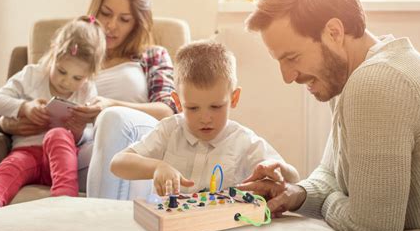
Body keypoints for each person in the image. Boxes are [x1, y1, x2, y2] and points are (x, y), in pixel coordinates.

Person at [236, 0, 420, 231]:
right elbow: (330, 172)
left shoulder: (377, 83)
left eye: (293, 57)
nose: (287, 77)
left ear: (333, 32)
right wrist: (296, 193)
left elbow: (371, 228)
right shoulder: (351, 75)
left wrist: (326, 201)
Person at [0, 0, 177, 200]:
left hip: (132, 143)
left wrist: (109, 106)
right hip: (80, 149)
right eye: (105, 13)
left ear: (137, 23)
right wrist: (6, 123)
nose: (111, 25)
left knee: (111, 119)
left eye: (124, 19)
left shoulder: (152, 56)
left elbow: (168, 111)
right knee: (68, 142)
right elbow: (12, 99)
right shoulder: (70, 55)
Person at [110, 40, 299, 195]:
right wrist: (157, 167)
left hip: (223, 229)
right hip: (173, 227)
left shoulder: (244, 140)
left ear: (234, 98)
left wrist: (277, 169)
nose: (205, 118)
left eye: (216, 107)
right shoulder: (170, 130)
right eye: (192, 108)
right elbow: (118, 164)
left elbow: (293, 177)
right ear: (177, 102)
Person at [0, 16, 105, 212]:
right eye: (61, 71)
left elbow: (90, 134)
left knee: (58, 134)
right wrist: (24, 107)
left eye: (77, 77)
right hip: (27, 150)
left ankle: (63, 203)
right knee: (9, 168)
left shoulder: (87, 90)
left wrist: (78, 132)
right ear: (53, 54)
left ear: (89, 75)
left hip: (63, 156)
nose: (66, 82)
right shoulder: (32, 75)